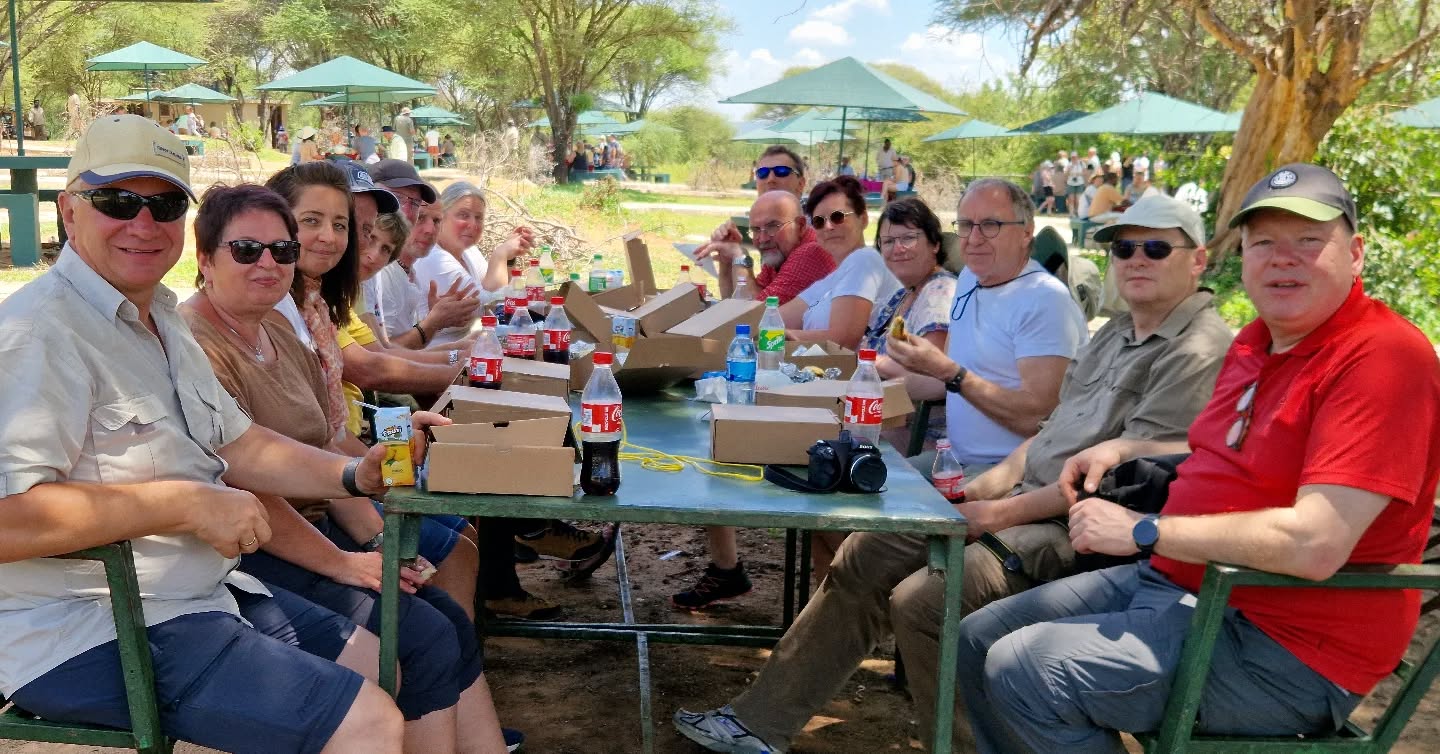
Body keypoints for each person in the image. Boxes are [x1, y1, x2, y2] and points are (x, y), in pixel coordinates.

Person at [673, 193, 1234, 754]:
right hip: (1008, 485)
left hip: (1080, 530)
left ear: (1198, 260)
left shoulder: (1196, 349)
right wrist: (967, 493)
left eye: (1155, 248)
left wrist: (991, 507)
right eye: (1124, 248)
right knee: (866, 550)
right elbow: (1050, 434)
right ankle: (760, 725)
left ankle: (964, 745)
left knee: (924, 602)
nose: (1135, 259)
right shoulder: (1115, 332)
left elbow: (1111, 483)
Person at [957, 163, 1440, 753]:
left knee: (1030, 670)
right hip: (1183, 588)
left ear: (1356, 253)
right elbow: (1230, 448)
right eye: (1264, 243)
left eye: (1309, 241)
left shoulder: (1383, 359)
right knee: (977, 637)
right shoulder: (1256, 342)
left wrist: (1144, 528)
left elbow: (1316, 543)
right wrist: (1130, 446)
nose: (1282, 258)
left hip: (1285, 642)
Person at [0, 112, 407, 754]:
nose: (142, 223)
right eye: (115, 200)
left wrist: (353, 474)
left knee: (376, 663)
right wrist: (185, 503)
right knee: (367, 722)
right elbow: (6, 521)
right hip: (91, 629)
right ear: (69, 211)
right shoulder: (37, 334)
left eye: (163, 204)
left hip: (200, 595)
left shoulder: (159, 316)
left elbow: (240, 444)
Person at [179, 183, 515, 754]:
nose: (269, 263)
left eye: (281, 251)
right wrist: (343, 563)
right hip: (257, 545)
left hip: (317, 524)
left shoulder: (279, 328)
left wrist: (382, 535)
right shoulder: (196, 344)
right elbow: (238, 481)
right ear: (205, 258)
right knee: (420, 633)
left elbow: (329, 437)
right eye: (246, 251)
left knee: (443, 619)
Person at [860, 197, 957, 453]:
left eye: (909, 238)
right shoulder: (903, 294)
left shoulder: (939, 292)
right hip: (887, 419)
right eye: (888, 242)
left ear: (935, 243)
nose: (897, 249)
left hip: (925, 435)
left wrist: (871, 363)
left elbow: (932, 374)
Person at [693, 147, 835, 304]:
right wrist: (728, 260)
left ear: (801, 226)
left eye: (781, 171)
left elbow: (755, 314)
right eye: (762, 173)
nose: (770, 179)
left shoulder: (812, 247)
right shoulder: (778, 250)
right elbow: (734, 304)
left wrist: (740, 258)